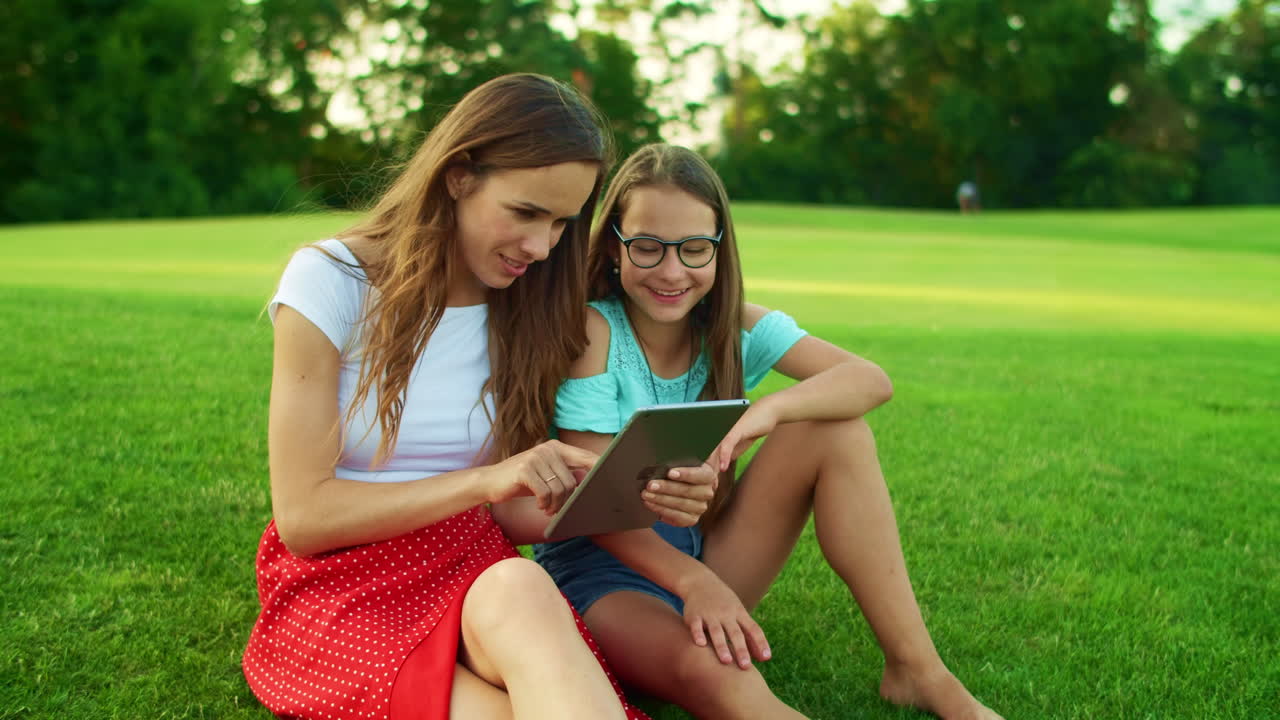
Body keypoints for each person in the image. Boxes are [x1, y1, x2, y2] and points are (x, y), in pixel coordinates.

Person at [243, 76, 717, 720]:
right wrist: (487, 482)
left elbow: (519, 517)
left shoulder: (529, 302)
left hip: (474, 565)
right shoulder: (332, 280)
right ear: (458, 175)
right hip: (342, 582)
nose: (542, 246)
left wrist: (638, 492)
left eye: (561, 223)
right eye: (525, 213)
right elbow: (305, 519)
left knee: (522, 582)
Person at [534, 144, 1003, 719]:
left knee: (837, 431)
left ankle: (917, 669)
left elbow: (869, 380)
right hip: (606, 580)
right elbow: (597, 508)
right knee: (725, 680)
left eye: (695, 249)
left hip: (703, 557)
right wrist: (694, 585)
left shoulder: (731, 326)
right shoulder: (592, 333)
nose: (672, 271)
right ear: (614, 245)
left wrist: (766, 413)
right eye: (648, 247)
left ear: (719, 249)